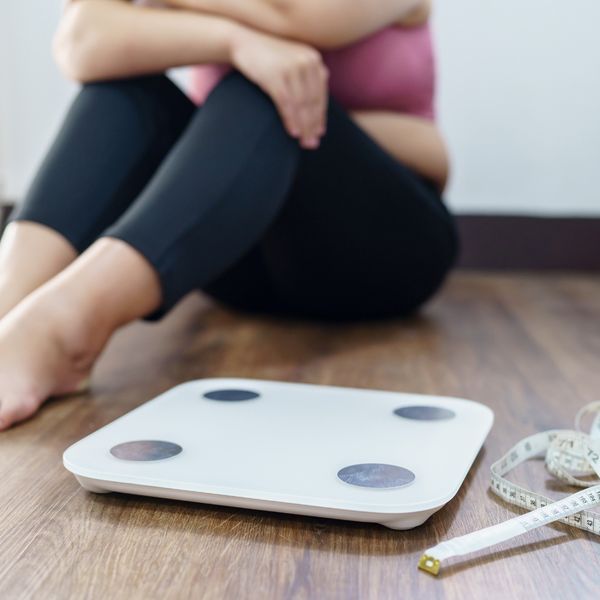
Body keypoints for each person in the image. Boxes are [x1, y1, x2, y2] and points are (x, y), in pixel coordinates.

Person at [0, 0, 458, 431]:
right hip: (234, 252)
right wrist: (236, 42)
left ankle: (64, 332)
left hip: (383, 251)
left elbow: (298, 13)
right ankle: (11, 308)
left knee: (269, 88)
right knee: (123, 92)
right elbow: (81, 41)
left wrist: (282, 92)